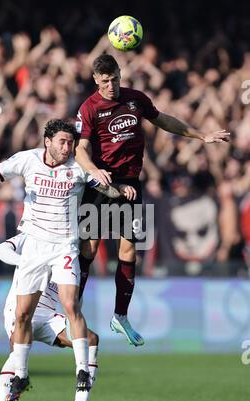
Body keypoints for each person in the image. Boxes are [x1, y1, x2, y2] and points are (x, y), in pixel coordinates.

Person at [0, 119, 135, 401]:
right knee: (23, 314)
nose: (67, 148)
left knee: (70, 305)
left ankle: (82, 370)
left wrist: (122, 191)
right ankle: (22, 374)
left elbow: (105, 190)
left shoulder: (79, 168)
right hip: (34, 246)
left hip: (64, 245)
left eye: (70, 143)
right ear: (47, 141)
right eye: (62, 142)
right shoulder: (26, 160)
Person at [75, 54, 230, 347]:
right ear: (96, 80)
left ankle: (120, 316)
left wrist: (201, 136)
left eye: (115, 79)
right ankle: (73, 310)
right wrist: (94, 170)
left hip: (130, 183)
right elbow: (81, 149)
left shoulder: (135, 99)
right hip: (101, 182)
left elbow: (164, 121)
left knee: (130, 250)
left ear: (121, 75)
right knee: (90, 247)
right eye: (105, 81)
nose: (111, 85)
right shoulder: (89, 108)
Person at [0, 233, 102, 401]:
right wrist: (28, 261)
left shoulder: (72, 256)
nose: (91, 245)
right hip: (19, 310)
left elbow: (74, 306)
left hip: (47, 315)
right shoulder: (31, 233)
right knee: (17, 355)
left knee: (91, 340)